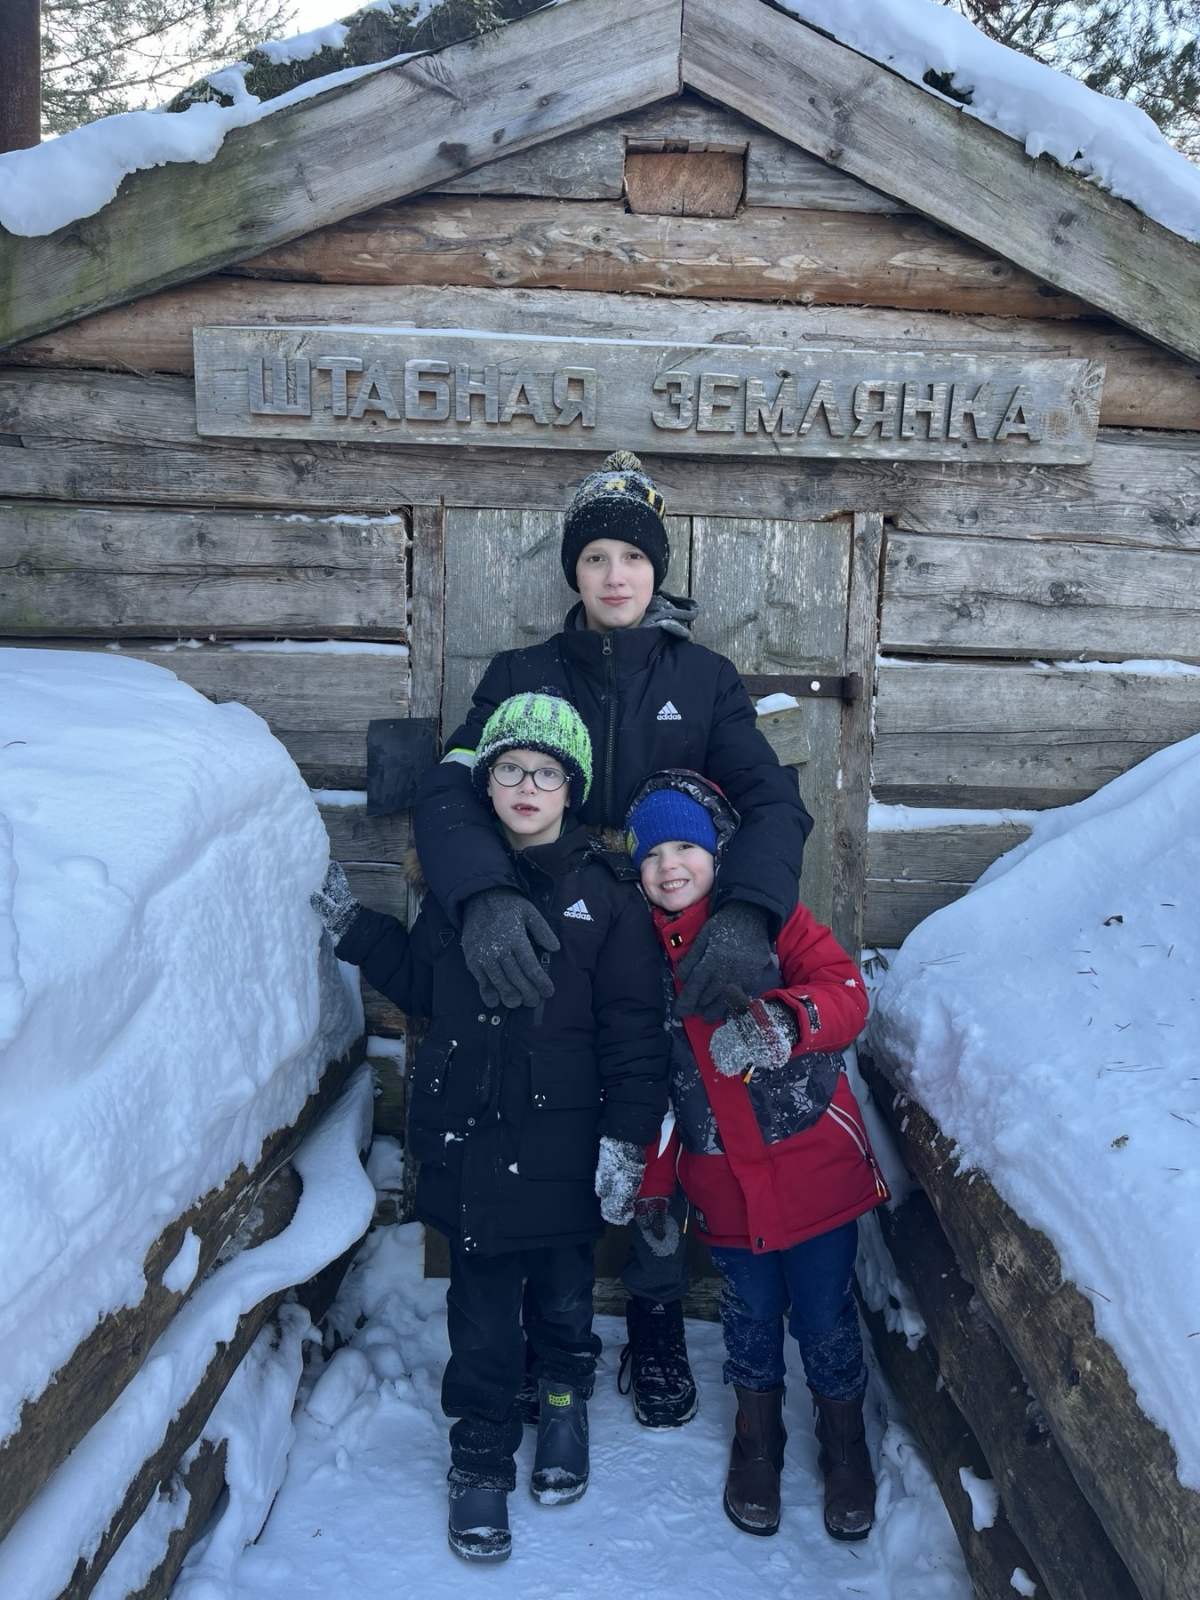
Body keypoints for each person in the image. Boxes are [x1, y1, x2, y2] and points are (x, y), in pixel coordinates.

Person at [414, 450, 814, 1428]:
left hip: (664, 943)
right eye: (594, 557)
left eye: (631, 556)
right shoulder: (519, 675)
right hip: (540, 933)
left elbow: (772, 801)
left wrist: (747, 912)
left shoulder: (704, 681)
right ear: (574, 572)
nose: (614, 574)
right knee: (530, 1114)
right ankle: (516, 1331)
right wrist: (481, 896)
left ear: (655, 569)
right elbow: (449, 787)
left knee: (660, 1126)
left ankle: (656, 1315)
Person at [312, 693, 668, 1565]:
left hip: (564, 1143)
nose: (526, 786)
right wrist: (357, 931)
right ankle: (479, 1452)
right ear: (489, 782)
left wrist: (628, 1138)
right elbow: (424, 986)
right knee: (479, 1316)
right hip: (470, 1140)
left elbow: (632, 1031)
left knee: (563, 1297)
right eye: (509, 768)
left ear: (571, 788)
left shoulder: (608, 897)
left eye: (546, 772)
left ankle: (562, 1405)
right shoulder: (460, 892)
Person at [624, 769, 888, 1542]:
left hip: (814, 1169)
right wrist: (653, 1188)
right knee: (749, 1317)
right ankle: (757, 1439)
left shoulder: (775, 922)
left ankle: (844, 1443)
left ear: (717, 852)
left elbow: (846, 994)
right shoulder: (637, 960)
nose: (670, 866)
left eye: (685, 848)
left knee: (826, 1315)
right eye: (651, 855)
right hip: (723, 1189)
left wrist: (786, 1020)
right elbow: (654, 1091)